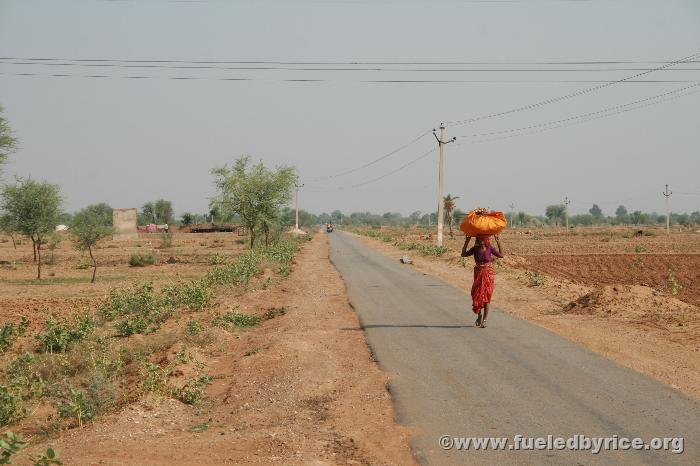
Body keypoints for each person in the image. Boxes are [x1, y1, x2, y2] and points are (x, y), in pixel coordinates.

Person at [461, 235, 504, 328]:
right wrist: (467, 241)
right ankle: (479, 316)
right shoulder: (475, 249)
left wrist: (498, 242)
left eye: (482, 239)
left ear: (486, 239)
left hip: (489, 275)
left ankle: (484, 320)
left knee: (487, 298)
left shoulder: (490, 248)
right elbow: (463, 254)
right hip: (478, 274)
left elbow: (501, 255)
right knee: (477, 296)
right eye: (479, 239)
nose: (480, 240)